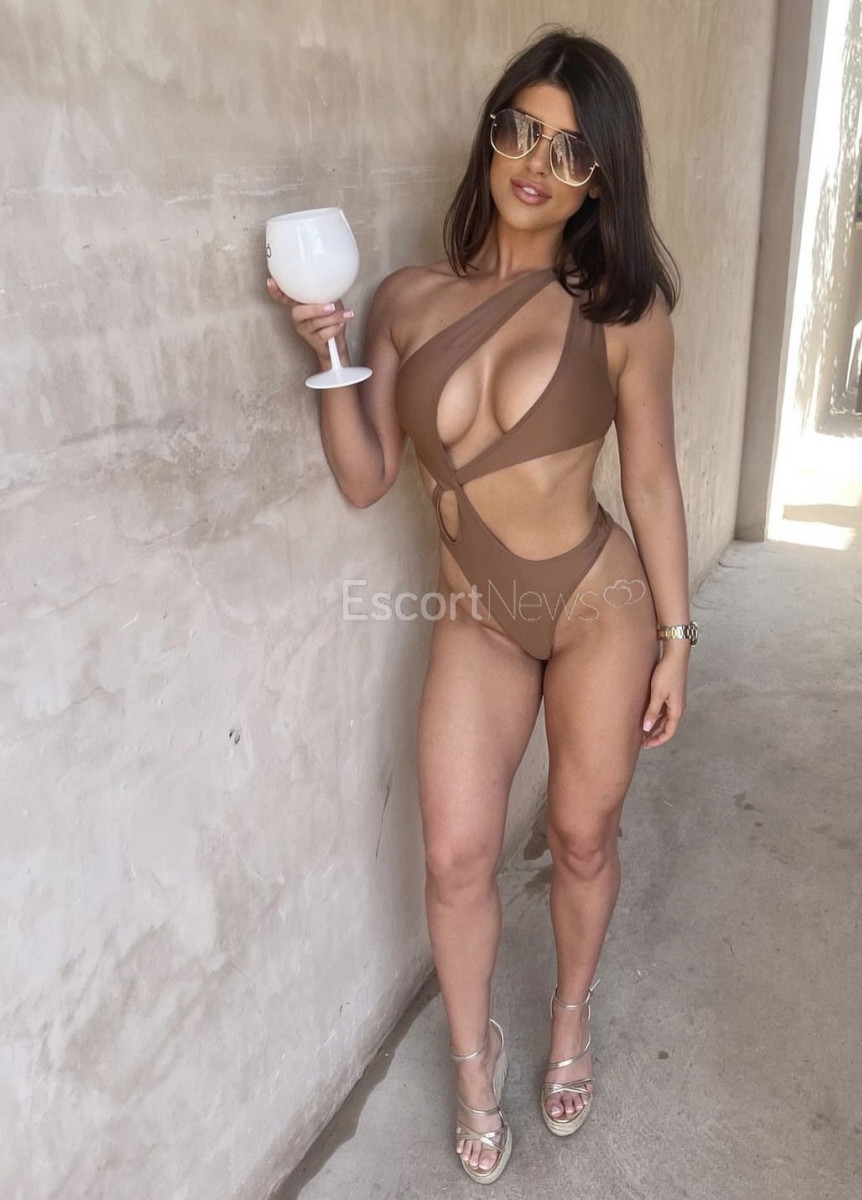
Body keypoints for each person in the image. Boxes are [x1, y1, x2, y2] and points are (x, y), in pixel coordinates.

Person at [268, 27, 692, 1184]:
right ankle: (473, 1062)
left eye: (570, 150)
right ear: (490, 133)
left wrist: (674, 637)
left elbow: (651, 483)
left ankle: (568, 1016)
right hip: (480, 621)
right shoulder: (406, 300)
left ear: (599, 178)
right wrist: (329, 354)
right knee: (456, 858)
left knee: (579, 835)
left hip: (598, 609)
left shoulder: (622, 311)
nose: (535, 164)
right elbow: (367, 477)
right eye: (520, 129)